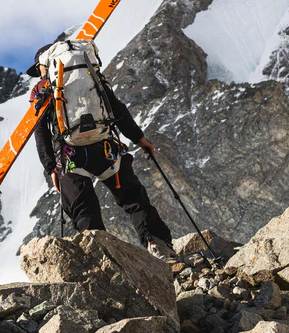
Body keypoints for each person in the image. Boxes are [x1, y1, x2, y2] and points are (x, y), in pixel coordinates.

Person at [26, 43, 177, 262]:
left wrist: (51, 167)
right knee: (134, 199)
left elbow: (40, 131)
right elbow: (115, 107)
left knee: (84, 212)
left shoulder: (43, 88)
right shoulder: (90, 75)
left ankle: (105, 264)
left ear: (44, 64)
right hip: (106, 150)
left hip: (71, 158)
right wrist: (139, 138)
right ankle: (159, 246)